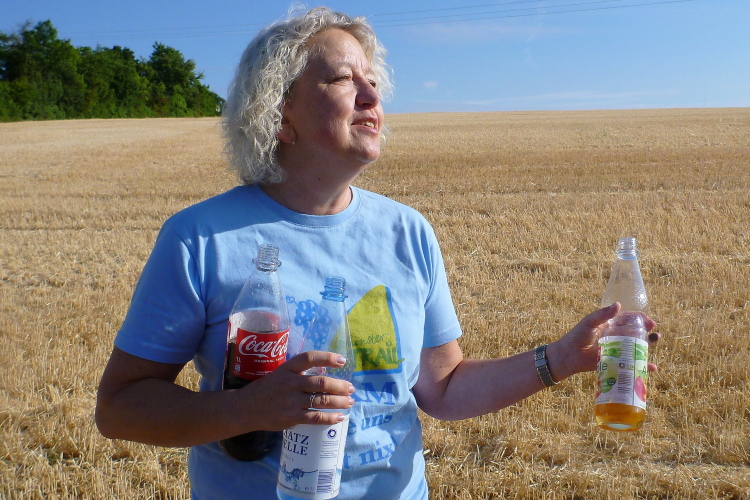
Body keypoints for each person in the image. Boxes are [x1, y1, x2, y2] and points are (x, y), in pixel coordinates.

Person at [95, 6, 659, 500]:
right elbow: (120, 407)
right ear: (280, 114)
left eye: (373, 80)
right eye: (343, 79)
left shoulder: (407, 231)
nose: (371, 95)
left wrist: (558, 359)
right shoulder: (200, 238)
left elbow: (443, 387)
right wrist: (247, 409)